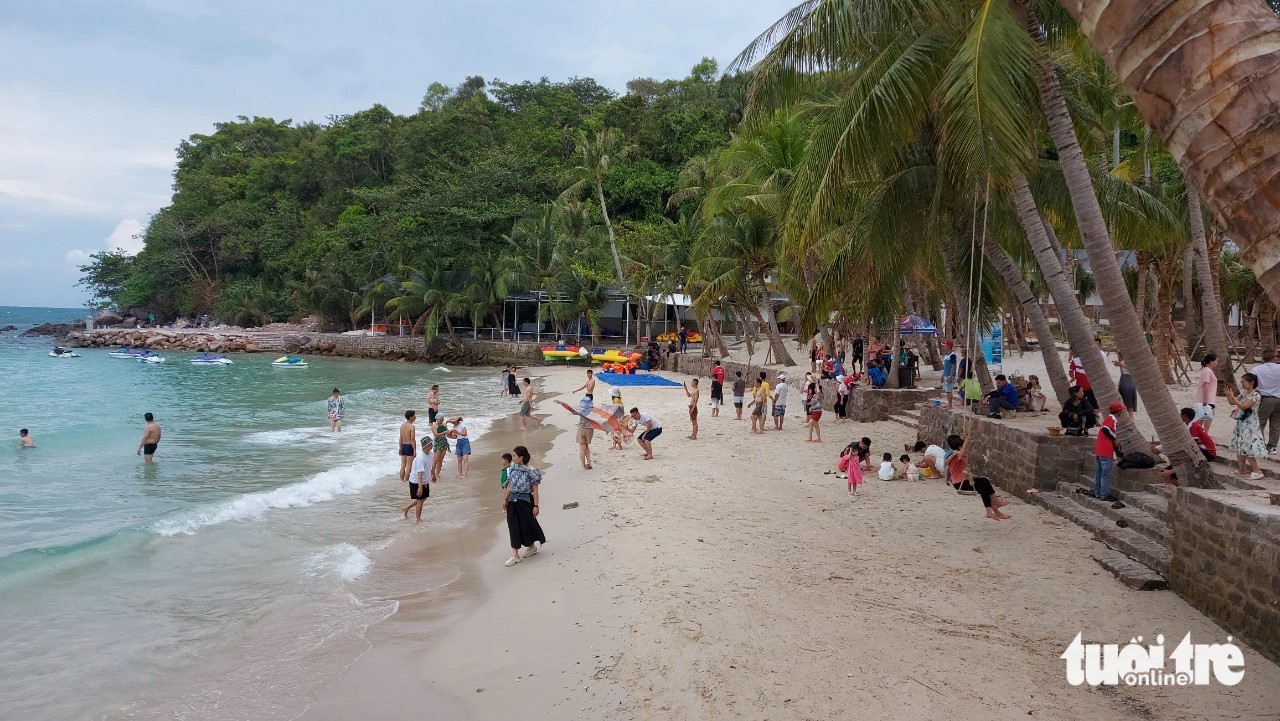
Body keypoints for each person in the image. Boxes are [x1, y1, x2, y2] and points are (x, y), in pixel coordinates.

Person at [946, 434, 1011, 520]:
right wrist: (966, 442)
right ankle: (996, 502)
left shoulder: (952, 455)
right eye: (962, 446)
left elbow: (948, 467)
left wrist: (946, 480)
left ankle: (991, 512)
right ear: (959, 447)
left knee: (985, 489)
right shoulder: (956, 456)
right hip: (961, 484)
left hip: (959, 482)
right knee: (984, 481)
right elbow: (962, 452)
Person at [502, 445, 545, 567]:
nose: (513, 457)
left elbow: (535, 490)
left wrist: (536, 506)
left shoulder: (532, 471)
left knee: (525, 526)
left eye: (514, 456)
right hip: (512, 500)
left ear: (521, 457)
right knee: (513, 526)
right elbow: (510, 485)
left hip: (525, 500)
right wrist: (505, 499)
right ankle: (515, 555)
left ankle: (531, 546)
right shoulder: (513, 467)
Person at [1150, 408, 1218, 484]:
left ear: (1185, 417)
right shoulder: (1189, 426)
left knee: (1182, 457)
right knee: (1165, 472)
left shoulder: (1193, 426)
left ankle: (1175, 475)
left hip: (1207, 452)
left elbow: (1192, 446)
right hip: (1202, 450)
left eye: (1180, 415)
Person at [1225, 371, 1267, 480]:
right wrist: (1229, 396)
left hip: (1250, 423)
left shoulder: (1256, 395)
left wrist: (1233, 398)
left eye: (1244, 382)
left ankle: (1257, 470)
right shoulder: (1244, 394)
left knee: (1247, 446)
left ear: (1251, 382)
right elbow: (1232, 402)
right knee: (1240, 445)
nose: (1242, 384)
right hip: (1242, 422)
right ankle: (1241, 469)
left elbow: (1244, 406)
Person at [1092, 401, 1124, 501]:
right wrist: (1115, 440)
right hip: (1106, 449)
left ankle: (1097, 492)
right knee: (1105, 473)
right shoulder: (1113, 419)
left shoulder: (1107, 418)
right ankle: (1104, 494)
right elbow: (1106, 430)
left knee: (1099, 472)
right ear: (1118, 412)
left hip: (1099, 448)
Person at [1250, 349, 1280, 453]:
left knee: (1260, 422)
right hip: (1278, 399)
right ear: (1273, 358)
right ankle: (1272, 446)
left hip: (1265, 399)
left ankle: (1260, 444)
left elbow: (1252, 383)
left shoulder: (1256, 369)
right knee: (1276, 424)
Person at [402, 437, 432, 523]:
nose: (432, 445)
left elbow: (431, 464)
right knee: (420, 501)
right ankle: (418, 520)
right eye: (430, 444)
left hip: (424, 481)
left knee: (424, 497)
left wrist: (433, 474)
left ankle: (406, 508)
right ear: (425, 446)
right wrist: (420, 487)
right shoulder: (420, 458)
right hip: (416, 481)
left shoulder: (430, 454)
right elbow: (419, 473)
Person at [567, 395, 595, 470]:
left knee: (582, 448)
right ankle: (588, 462)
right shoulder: (593, 411)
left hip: (581, 429)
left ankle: (583, 466)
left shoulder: (581, 411)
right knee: (587, 447)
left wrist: (562, 403)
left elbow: (572, 410)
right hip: (589, 430)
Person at [1196, 353, 1219, 431]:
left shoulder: (1207, 371)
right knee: (1205, 418)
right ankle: (1204, 434)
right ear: (1211, 361)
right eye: (1216, 361)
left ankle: (1202, 434)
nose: (1217, 363)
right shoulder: (1207, 371)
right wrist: (1205, 401)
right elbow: (1205, 385)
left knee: (1203, 418)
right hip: (1207, 400)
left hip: (1208, 399)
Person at [397, 411, 417, 481]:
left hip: (403, 445)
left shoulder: (402, 425)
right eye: (414, 415)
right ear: (411, 417)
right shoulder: (412, 427)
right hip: (409, 446)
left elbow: (401, 437)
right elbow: (412, 439)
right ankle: (406, 480)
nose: (415, 416)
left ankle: (401, 480)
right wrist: (414, 449)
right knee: (408, 465)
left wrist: (400, 447)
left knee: (403, 465)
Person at [431, 415, 450, 482]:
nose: (441, 421)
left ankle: (437, 474)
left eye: (442, 420)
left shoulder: (444, 425)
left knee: (440, 460)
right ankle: (432, 474)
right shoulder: (433, 426)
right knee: (435, 460)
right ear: (437, 419)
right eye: (440, 420)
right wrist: (444, 432)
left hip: (444, 442)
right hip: (437, 443)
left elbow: (447, 432)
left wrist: (449, 433)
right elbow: (436, 434)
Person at [941, 341, 958, 408]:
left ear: (948, 346)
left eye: (945, 346)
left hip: (950, 375)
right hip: (946, 374)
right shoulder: (946, 355)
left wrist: (951, 376)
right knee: (947, 390)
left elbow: (953, 366)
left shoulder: (952, 355)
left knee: (949, 390)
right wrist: (942, 375)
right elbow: (945, 367)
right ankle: (948, 403)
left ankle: (950, 405)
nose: (943, 347)